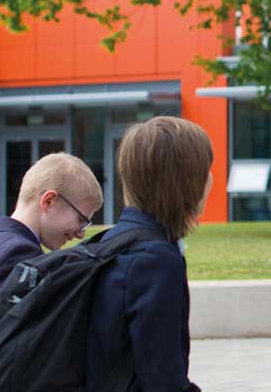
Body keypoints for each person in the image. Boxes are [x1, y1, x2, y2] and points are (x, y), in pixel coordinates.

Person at [0, 152, 103, 392]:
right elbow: (19, 357)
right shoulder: (20, 257)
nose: (81, 234)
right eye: (81, 219)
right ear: (49, 202)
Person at [86, 116, 213, 392]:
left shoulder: (110, 241)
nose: (211, 179)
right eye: (206, 169)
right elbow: (163, 379)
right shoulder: (155, 260)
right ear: (186, 181)